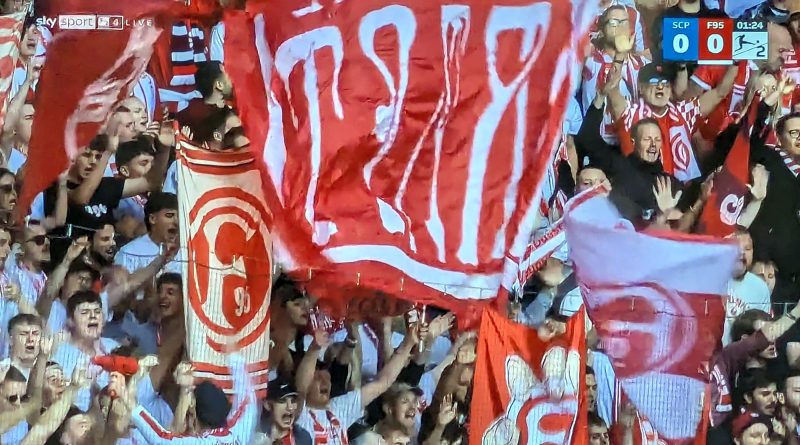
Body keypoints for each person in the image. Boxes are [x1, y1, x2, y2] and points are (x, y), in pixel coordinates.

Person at [129, 349, 258, 445]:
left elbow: (162, 439)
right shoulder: (237, 434)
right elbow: (249, 396)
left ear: (193, 415)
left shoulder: (204, 442)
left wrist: (131, 403)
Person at [51, 290, 119, 411]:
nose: (93, 316)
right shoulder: (58, 353)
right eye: (85, 312)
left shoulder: (114, 347)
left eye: (97, 312)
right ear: (71, 321)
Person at [114, 192, 182, 278]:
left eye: (179, 216)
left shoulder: (190, 251)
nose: (176, 221)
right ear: (152, 219)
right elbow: (119, 289)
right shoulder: (129, 252)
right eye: (169, 215)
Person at [725, 230, 772, 345]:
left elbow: (762, 331)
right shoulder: (711, 280)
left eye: (748, 249)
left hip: (745, 355)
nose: (742, 253)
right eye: (736, 248)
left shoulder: (760, 287)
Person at [256, 376, 312, 445]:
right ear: (267, 404)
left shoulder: (302, 438)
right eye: (282, 401)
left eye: (293, 401)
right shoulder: (256, 435)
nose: (290, 407)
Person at [7, 313, 41, 379]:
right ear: (11, 340)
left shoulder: (49, 373)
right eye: (23, 334)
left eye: (35, 334)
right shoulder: (2, 372)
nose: (30, 339)